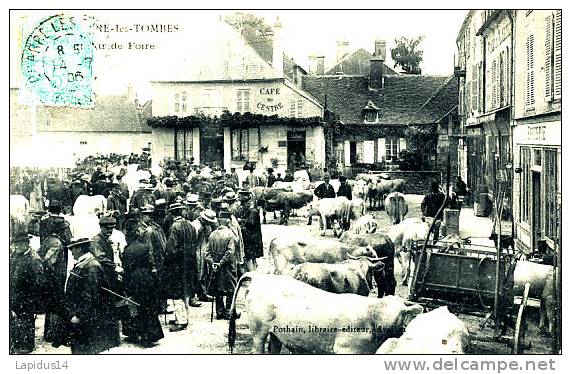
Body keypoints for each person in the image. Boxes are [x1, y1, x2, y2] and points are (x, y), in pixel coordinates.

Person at [65, 238, 120, 354]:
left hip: (87, 319)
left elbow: (90, 295)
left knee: (86, 350)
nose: (71, 252)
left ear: (79, 249)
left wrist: (79, 315)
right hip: (85, 317)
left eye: (72, 249)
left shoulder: (91, 266)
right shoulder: (85, 263)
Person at [121, 215, 164, 347]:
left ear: (128, 237)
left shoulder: (127, 251)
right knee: (149, 306)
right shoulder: (144, 247)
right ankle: (152, 335)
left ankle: (142, 335)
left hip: (135, 279)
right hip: (147, 277)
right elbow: (149, 263)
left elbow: (127, 270)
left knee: (138, 307)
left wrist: (126, 284)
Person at [10, 219, 45, 354]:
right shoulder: (14, 256)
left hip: (27, 298)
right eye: (14, 245)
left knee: (25, 323)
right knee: (15, 323)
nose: (15, 247)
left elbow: (39, 282)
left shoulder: (34, 259)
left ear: (25, 244)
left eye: (17, 245)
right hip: (15, 296)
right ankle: (17, 345)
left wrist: (32, 299)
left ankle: (26, 348)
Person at [165, 203, 200, 332]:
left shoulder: (175, 226)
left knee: (177, 292)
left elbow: (171, 248)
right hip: (189, 263)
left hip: (178, 264)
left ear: (173, 213)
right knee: (186, 291)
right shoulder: (190, 225)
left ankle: (182, 320)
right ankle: (184, 316)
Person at [37, 216, 72, 346]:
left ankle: (49, 333)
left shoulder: (47, 240)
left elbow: (39, 255)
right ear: (60, 230)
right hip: (54, 279)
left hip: (49, 279)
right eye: (63, 229)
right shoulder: (57, 243)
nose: (65, 231)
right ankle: (52, 334)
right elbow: (48, 261)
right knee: (56, 304)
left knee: (51, 305)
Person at [205, 210, 238, 320]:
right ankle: (229, 311)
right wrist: (221, 263)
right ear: (228, 222)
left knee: (218, 288)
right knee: (231, 289)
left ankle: (219, 312)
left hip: (216, 268)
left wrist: (213, 263)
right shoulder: (230, 234)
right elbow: (230, 252)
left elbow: (206, 253)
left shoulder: (212, 234)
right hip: (228, 267)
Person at [189, 209, 218, 302]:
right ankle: (193, 296)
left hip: (203, 251)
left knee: (203, 273)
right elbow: (192, 242)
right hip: (197, 251)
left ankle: (203, 293)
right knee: (196, 273)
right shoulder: (196, 226)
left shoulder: (206, 225)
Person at [90, 216, 123, 292]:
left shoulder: (107, 239)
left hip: (108, 273)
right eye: (107, 228)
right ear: (101, 228)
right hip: (100, 274)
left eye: (111, 228)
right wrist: (115, 267)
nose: (110, 230)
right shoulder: (96, 241)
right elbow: (100, 257)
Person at [238, 190, 263, 271]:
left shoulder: (252, 211)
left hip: (252, 238)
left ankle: (252, 273)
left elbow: (250, 223)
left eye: (240, 196)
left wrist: (241, 220)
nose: (239, 198)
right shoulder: (249, 209)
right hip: (251, 237)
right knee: (252, 258)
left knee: (249, 257)